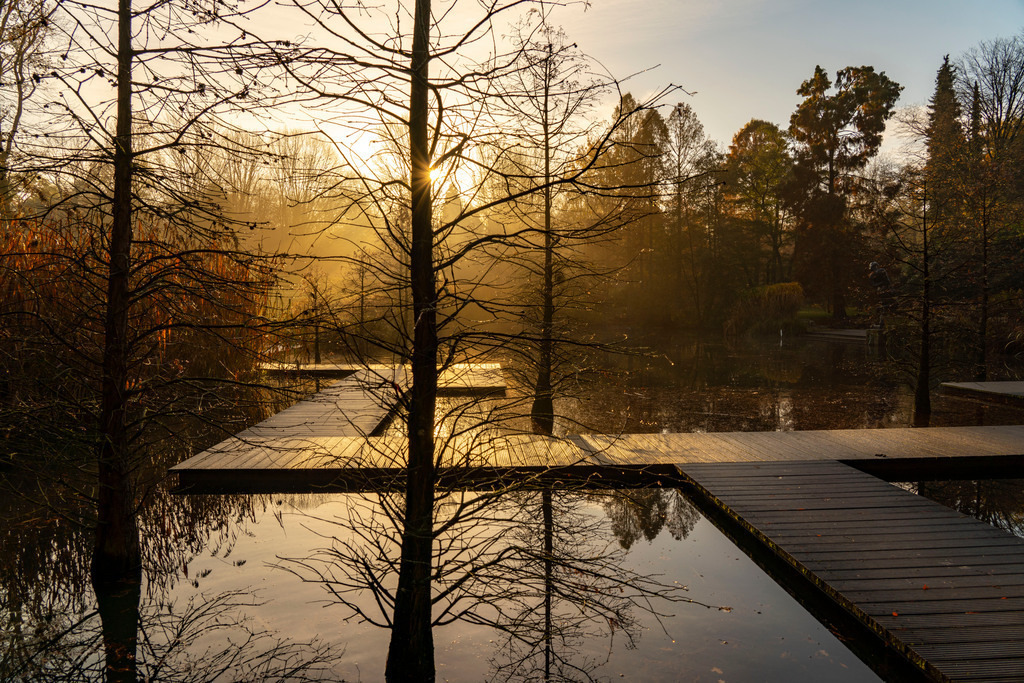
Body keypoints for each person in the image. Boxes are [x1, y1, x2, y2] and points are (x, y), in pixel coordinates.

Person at [868, 262, 892, 327]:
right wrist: (882, 283)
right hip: (883, 289)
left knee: (886, 305)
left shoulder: (873, 274)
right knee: (885, 305)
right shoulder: (880, 271)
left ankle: (882, 321)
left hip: (882, 290)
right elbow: (874, 284)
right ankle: (882, 321)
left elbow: (874, 284)